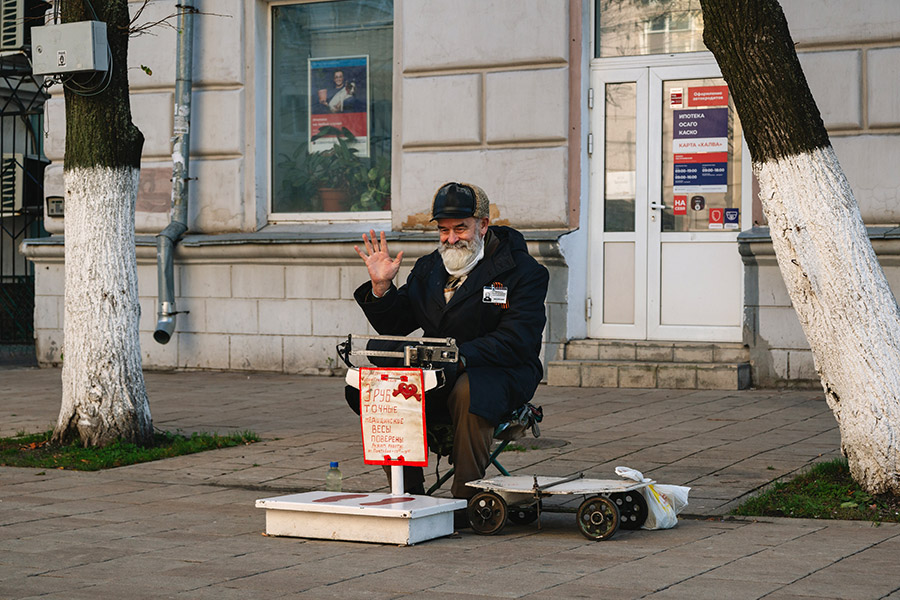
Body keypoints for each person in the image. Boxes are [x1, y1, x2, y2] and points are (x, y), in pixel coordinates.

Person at [352, 182, 549, 501]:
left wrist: (456, 355)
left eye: (461, 227)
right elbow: (397, 323)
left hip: (502, 371)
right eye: (444, 230)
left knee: (470, 389)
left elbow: (518, 340)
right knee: (381, 387)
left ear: (483, 225)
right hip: (440, 371)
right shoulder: (430, 267)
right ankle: (408, 494)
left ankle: (466, 498)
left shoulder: (523, 272)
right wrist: (381, 287)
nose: (452, 238)